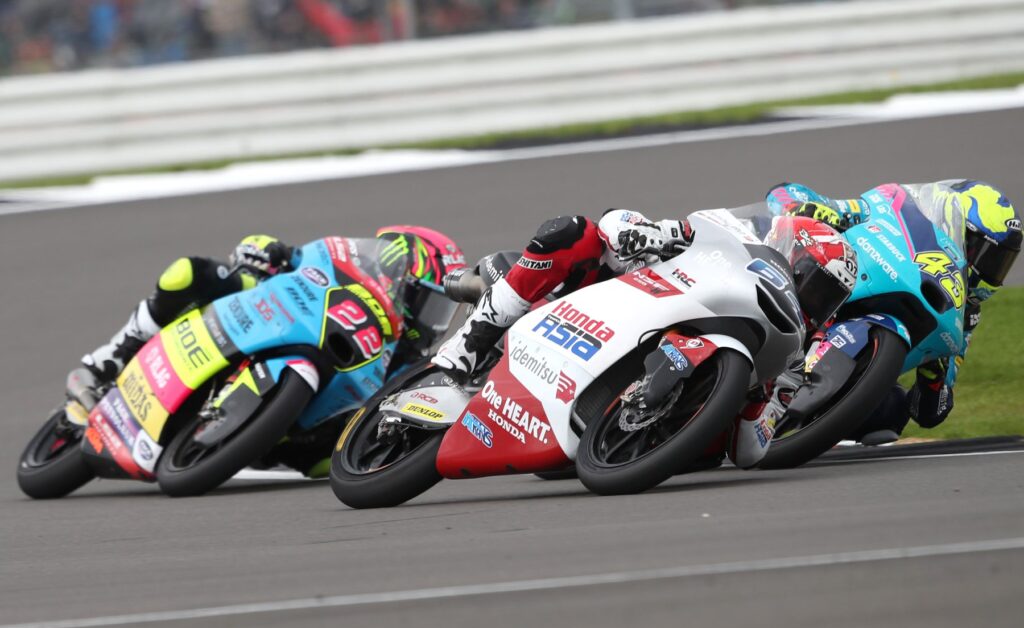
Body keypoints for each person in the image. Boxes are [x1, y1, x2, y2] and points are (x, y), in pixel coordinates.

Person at [432, 206, 858, 468]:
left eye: (827, 298)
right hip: (610, 303)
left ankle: (629, 436)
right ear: (790, 255)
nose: (812, 298)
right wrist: (643, 233)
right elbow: (617, 222)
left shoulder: (789, 362)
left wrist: (760, 399)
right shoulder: (718, 245)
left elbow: (749, 452)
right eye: (812, 281)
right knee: (574, 231)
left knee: (709, 454)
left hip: (623, 452)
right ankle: (467, 346)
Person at [66, 226, 467, 475]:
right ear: (398, 276)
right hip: (273, 314)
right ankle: (112, 356)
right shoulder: (344, 261)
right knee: (187, 274)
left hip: (305, 423)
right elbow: (288, 255)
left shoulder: (408, 361)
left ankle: (260, 443)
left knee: (326, 463)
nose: (432, 321)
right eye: (428, 303)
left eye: (443, 311)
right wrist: (265, 252)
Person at [764, 179, 1021, 440]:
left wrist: (934, 375)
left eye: (1001, 262)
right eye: (984, 254)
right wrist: (813, 209)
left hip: (846, 373)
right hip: (795, 287)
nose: (990, 270)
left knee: (893, 409)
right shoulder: (889, 210)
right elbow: (782, 192)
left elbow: (930, 412)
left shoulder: (963, 318)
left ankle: (805, 440)